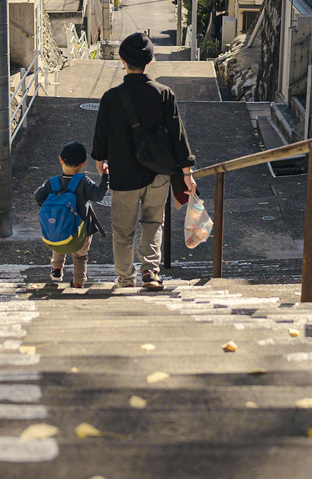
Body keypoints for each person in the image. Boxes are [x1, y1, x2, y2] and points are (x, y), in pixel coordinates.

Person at [92, 32, 196, 290]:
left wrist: (100, 161)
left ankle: (126, 278)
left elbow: (100, 138)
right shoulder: (164, 94)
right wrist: (187, 171)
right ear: (150, 61)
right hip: (158, 174)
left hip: (124, 175)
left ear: (121, 59)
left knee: (123, 230)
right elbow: (178, 135)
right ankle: (150, 272)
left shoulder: (111, 98)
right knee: (152, 222)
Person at [34, 141, 109, 288]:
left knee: (60, 238)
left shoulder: (52, 183)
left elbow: (38, 196)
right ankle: (78, 282)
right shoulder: (84, 182)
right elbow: (98, 195)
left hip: (57, 233)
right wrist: (105, 177)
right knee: (80, 257)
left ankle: (56, 269)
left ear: (60, 159)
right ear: (82, 164)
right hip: (82, 230)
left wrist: (53, 210)